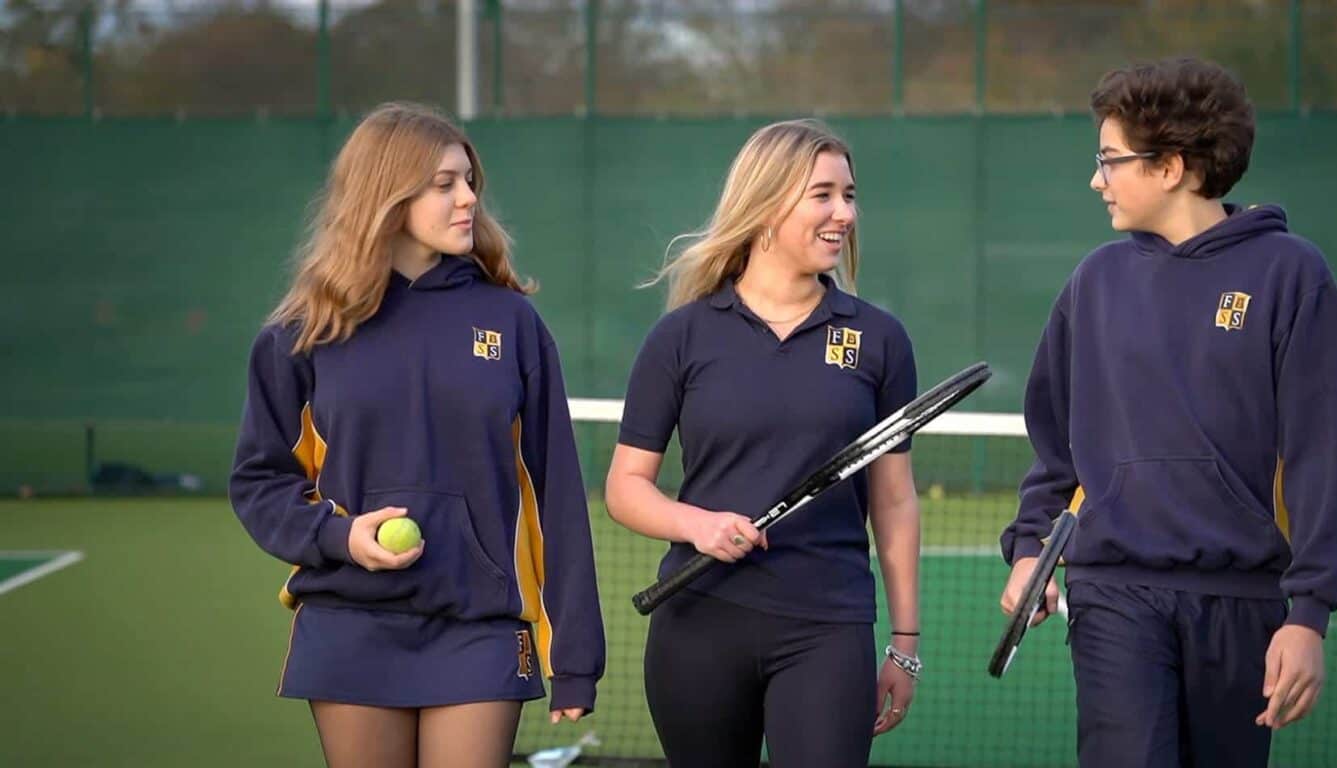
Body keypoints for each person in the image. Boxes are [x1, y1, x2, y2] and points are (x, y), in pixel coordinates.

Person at [998, 58, 1337, 768]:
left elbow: (1330, 456)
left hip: (1243, 604)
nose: (1095, 179)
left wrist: (1310, 616)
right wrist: (1029, 552)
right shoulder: (1094, 282)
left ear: (1170, 166)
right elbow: (1055, 449)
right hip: (1112, 594)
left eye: (1110, 161)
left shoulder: (1291, 274)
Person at [229, 102, 604, 768]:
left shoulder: (512, 322)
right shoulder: (301, 333)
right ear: (387, 194)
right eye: (444, 184)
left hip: (483, 626)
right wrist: (341, 537)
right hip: (348, 620)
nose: (468, 199)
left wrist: (575, 653)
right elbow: (260, 481)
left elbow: (558, 496)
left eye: (468, 182)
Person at [605, 118, 923, 767]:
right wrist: (697, 525)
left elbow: (893, 501)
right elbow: (624, 488)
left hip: (828, 628)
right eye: (824, 195)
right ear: (768, 204)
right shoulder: (681, 338)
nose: (844, 214)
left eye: (850, 195)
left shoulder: (879, 340)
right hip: (698, 625)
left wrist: (904, 642)